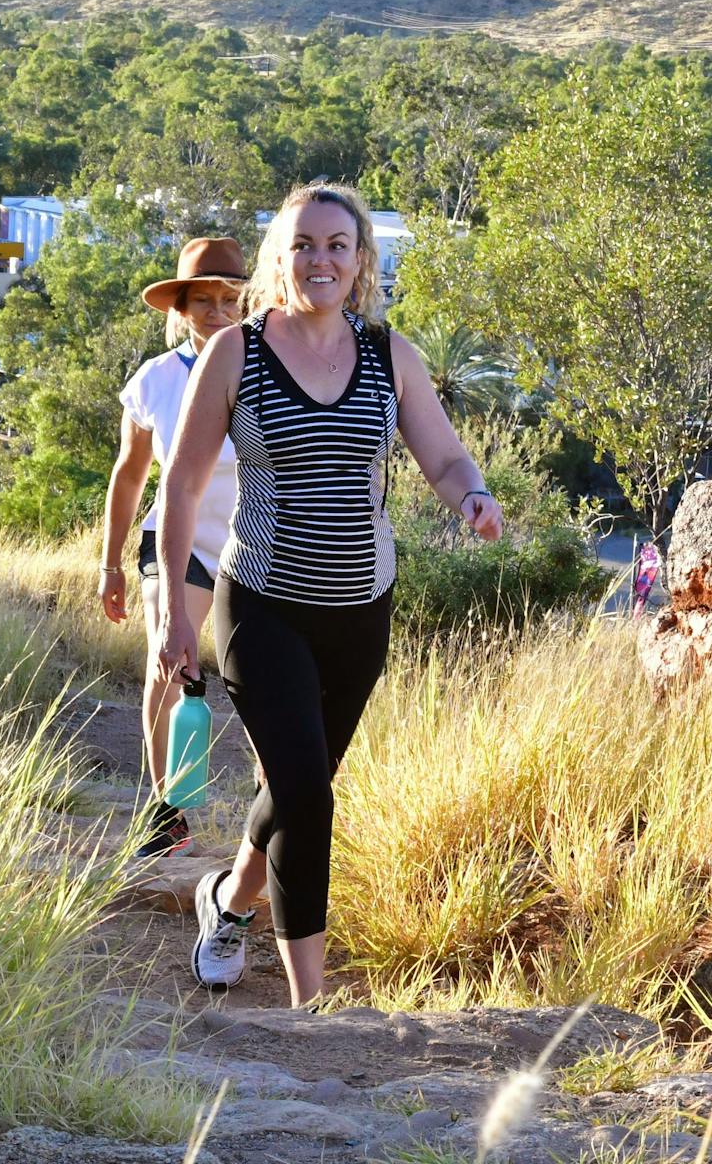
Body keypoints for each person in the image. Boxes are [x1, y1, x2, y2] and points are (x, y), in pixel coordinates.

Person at [156, 183, 503, 1007]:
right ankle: (311, 1008)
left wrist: (473, 497)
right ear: (281, 254)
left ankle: (228, 901)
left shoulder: (390, 354)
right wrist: (173, 607)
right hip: (264, 603)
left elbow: (445, 457)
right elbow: (180, 486)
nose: (320, 259)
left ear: (360, 262)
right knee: (309, 794)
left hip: (361, 611)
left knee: (292, 788)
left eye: (337, 246)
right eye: (304, 244)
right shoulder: (235, 353)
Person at [98, 236, 248, 857]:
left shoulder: (267, 365)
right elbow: (130, 475)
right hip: (174, 538)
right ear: (180, 310)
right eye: (204, 301)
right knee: (169, 651)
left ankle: (274, 806)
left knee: (254, 676)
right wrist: (109, 564)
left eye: (229, 300)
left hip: (253, 539)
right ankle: (166, 812)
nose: (218, 312)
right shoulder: (154, 380)